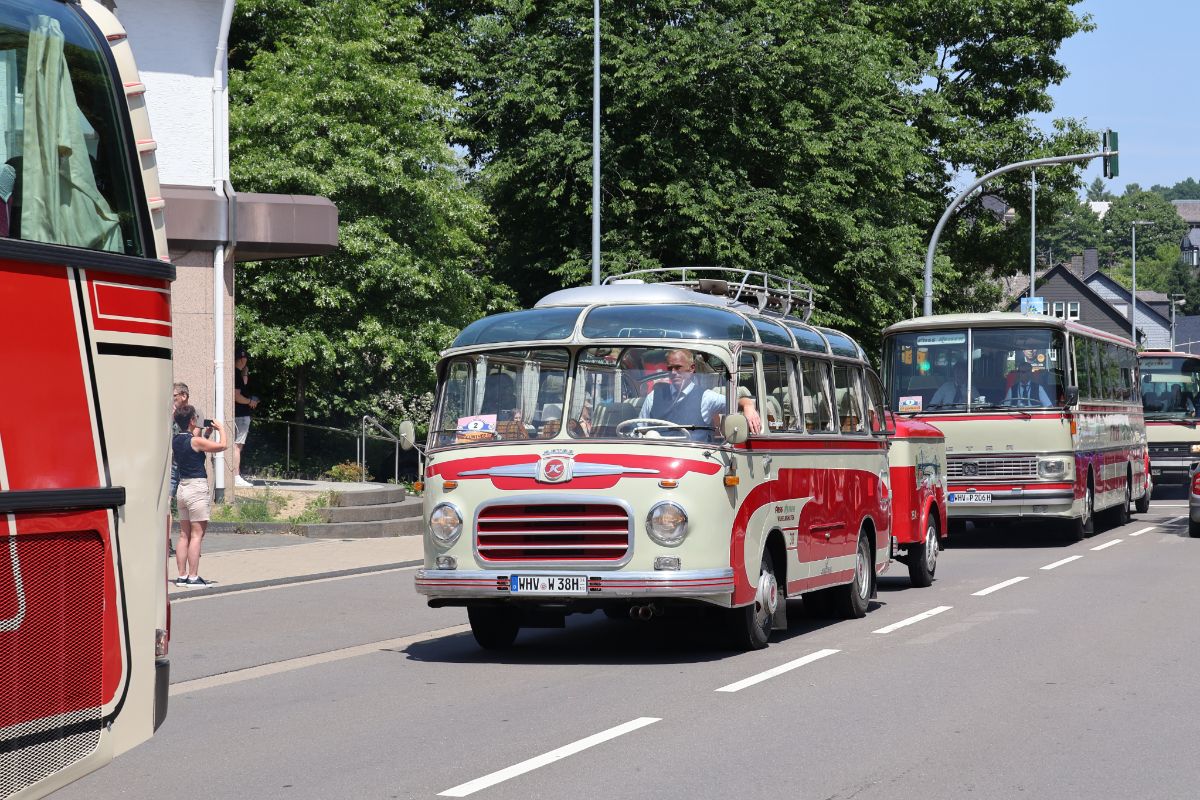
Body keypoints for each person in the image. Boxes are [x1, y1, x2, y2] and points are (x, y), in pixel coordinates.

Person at [638, 348, 762, 440]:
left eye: (678, 367)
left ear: (692, 368)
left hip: (694, 458)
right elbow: (639, 430)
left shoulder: (706, 397)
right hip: (658, 456)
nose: (673, 373)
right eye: (670, 368)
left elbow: (735, 402)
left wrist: (748, 405)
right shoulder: (653, 396)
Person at [172, 405, 227, 587]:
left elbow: (194, 448)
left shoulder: (176, 440)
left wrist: (207, 435)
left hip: (182, 488)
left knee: (184, 535)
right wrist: (221, 429)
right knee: (197, 535)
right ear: (192, 421)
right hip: (196, 488)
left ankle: (181, 576)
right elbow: (222, 446)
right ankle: (193, 577)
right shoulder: (195, 441)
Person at [232, 347, 259, 488]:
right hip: (241, 415)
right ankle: (236, 477)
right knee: (237, 446)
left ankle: (235, 475)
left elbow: (243, 385)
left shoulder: (236, 374)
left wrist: (245, 372)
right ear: (243, 359)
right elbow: (237, 396)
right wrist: (250, 402)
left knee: (236, 446)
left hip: (238, 415)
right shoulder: (236, 375)